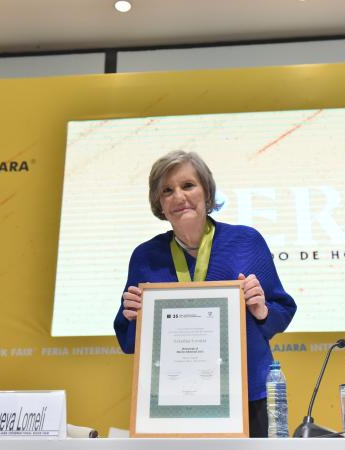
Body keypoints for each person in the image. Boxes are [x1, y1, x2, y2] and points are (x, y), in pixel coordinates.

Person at [114, 150, 296, 437]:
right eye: (167, 190)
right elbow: (128, 342)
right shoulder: (145, 256)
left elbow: (282, 312)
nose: (178, 196)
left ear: (207, 192)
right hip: (172, 402)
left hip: (246, 396)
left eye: (188, 185)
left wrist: (262, 310)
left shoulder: (246, 241)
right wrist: (133, 316)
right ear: (159, 203)